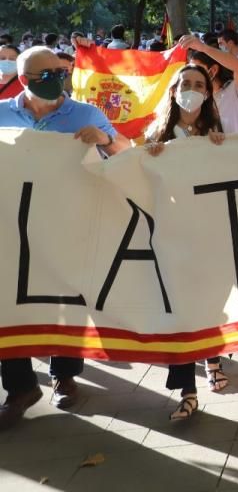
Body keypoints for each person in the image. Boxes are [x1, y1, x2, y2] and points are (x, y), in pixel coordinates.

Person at [0, 46, 130, 431]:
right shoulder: (2, 113)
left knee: (67, 301)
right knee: (9, 305)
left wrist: (104, 140)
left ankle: (65, 375)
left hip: (69, 225)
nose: (57, 78)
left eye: (60, 70)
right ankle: (20, 388)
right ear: (24, 80)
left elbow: (124, 151)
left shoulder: (85, 113)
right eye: (46, 74)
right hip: (13, 227)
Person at [142, 66, 231, 420]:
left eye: (199, 85)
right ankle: (186, 389)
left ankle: (212, 358)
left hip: (212, 235)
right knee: (177, 310)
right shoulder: (156, 132)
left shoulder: (216, 132)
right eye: (186, 84)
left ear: (208, 93)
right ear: (174, 90)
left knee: (208, 304)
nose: (192, 90)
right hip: (171, 235)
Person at [180, 34, 238, 134]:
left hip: (236, 148)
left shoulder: (236, 89)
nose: (192, 74)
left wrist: (203, 48)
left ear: (213, 70)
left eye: (197, 69)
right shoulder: (198, 97)